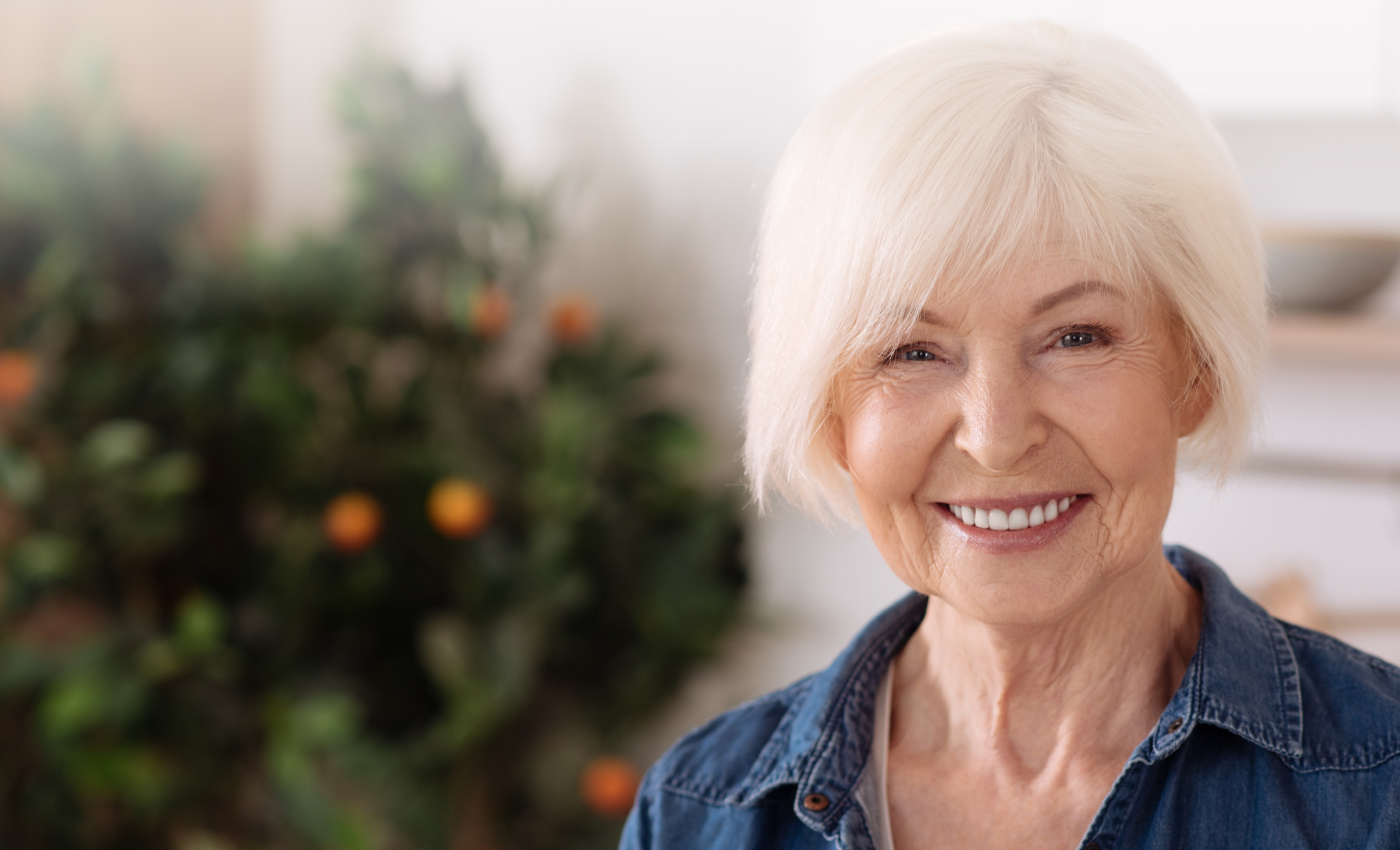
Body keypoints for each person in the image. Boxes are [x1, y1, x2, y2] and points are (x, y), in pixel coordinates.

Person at [620, 20, 1400, 850]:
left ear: (1195, 373)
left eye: (1077, 338)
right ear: (831, 413)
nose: (995, 437)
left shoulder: (1378, 793)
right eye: (912, 351)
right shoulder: (699, 815)